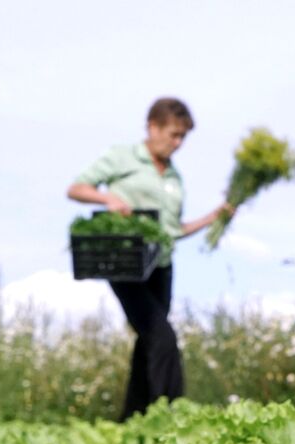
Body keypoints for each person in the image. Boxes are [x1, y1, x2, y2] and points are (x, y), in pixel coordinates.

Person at [67, 97, 233, 421]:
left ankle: (133, 419)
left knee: (148, 341)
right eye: (173, 134)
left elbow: (174, 230)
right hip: (126, 263)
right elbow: (76, 188)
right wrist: (108, 198)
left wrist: (213, 218)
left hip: (162, 266)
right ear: (152, 127)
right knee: (162, 336)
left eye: (182, 137)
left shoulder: (174, 177)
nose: (178, 143)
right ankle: (170, 416)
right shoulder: (123, 157)